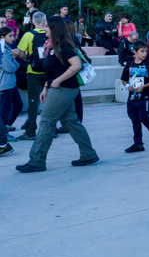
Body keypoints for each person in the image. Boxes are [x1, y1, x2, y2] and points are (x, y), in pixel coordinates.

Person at [16, 15, 99, 173]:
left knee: (47, 122)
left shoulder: (64, 45)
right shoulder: (52, 45)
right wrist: (46, 87)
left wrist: (58, 81)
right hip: (60, 88)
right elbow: (53, 71)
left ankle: (36, 161)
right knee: (71, 122)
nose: (44, 29)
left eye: (47, 26)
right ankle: (88, 154)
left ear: (55, 29)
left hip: (63, 89)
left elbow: (76, 65)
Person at [120, 40, 149, 153]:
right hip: (132, 97)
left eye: (145, 51)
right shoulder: (129, 64)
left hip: (144, 96)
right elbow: (124, 80)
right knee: (135, 119)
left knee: (144, 117)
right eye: (142, 51)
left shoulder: (148, 64)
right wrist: (128, 86)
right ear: (135, 51)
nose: (144, 54)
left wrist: (144, 86)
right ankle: (138, 143)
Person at [17, 11, 48, 140]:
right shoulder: (49, 33)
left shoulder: (28, 35)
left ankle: (30, 131)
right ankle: (51, 130)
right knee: (50, 101)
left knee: (33, 101)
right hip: (48, 72)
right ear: (45, 21)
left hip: (33, 72)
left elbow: (21, 55)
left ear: (32, 22)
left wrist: (30, 57)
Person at [0, 27, 21, 155]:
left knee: (18, 105)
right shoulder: (2, 48)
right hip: (5, 84)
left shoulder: (6, 47)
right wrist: (15, 65)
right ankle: (4, 137)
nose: (13, 38)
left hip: (10, 83)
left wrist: (15, 65)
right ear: (2, 37)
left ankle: (5, 130)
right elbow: (9, 67)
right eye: (10, 36)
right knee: (4, 111)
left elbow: (15, 63)